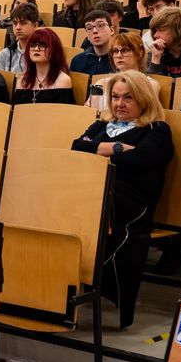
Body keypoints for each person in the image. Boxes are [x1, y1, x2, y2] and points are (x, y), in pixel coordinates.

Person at [71, 71, 173, 328]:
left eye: (128, 98)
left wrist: (98, 151)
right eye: (115, 97)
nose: (119, 104)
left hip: (131, 203)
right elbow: (75, 148)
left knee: (89, 210)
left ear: (144, 99)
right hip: (91, 192)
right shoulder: (101, 125)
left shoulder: (157, 130)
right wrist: (117, 148)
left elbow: (140, 160)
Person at [13, 28, 75, 105]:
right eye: (32, 45)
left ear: (54, 49)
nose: (36, 49)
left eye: (42, 45)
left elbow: (64, 114)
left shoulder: (62, 80)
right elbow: (16, 113)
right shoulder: (23, 81)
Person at [70, 9, 115, 76]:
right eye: (89, 28)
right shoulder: (78, 61)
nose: (94, 31)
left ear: (111, 30)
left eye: (100, 26)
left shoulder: (120, 58)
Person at [0, 3, 38, 72]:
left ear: (35, 25)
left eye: (23, 23)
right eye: (15, 23)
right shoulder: (5, 54)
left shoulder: (41, 53)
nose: (18, 27)